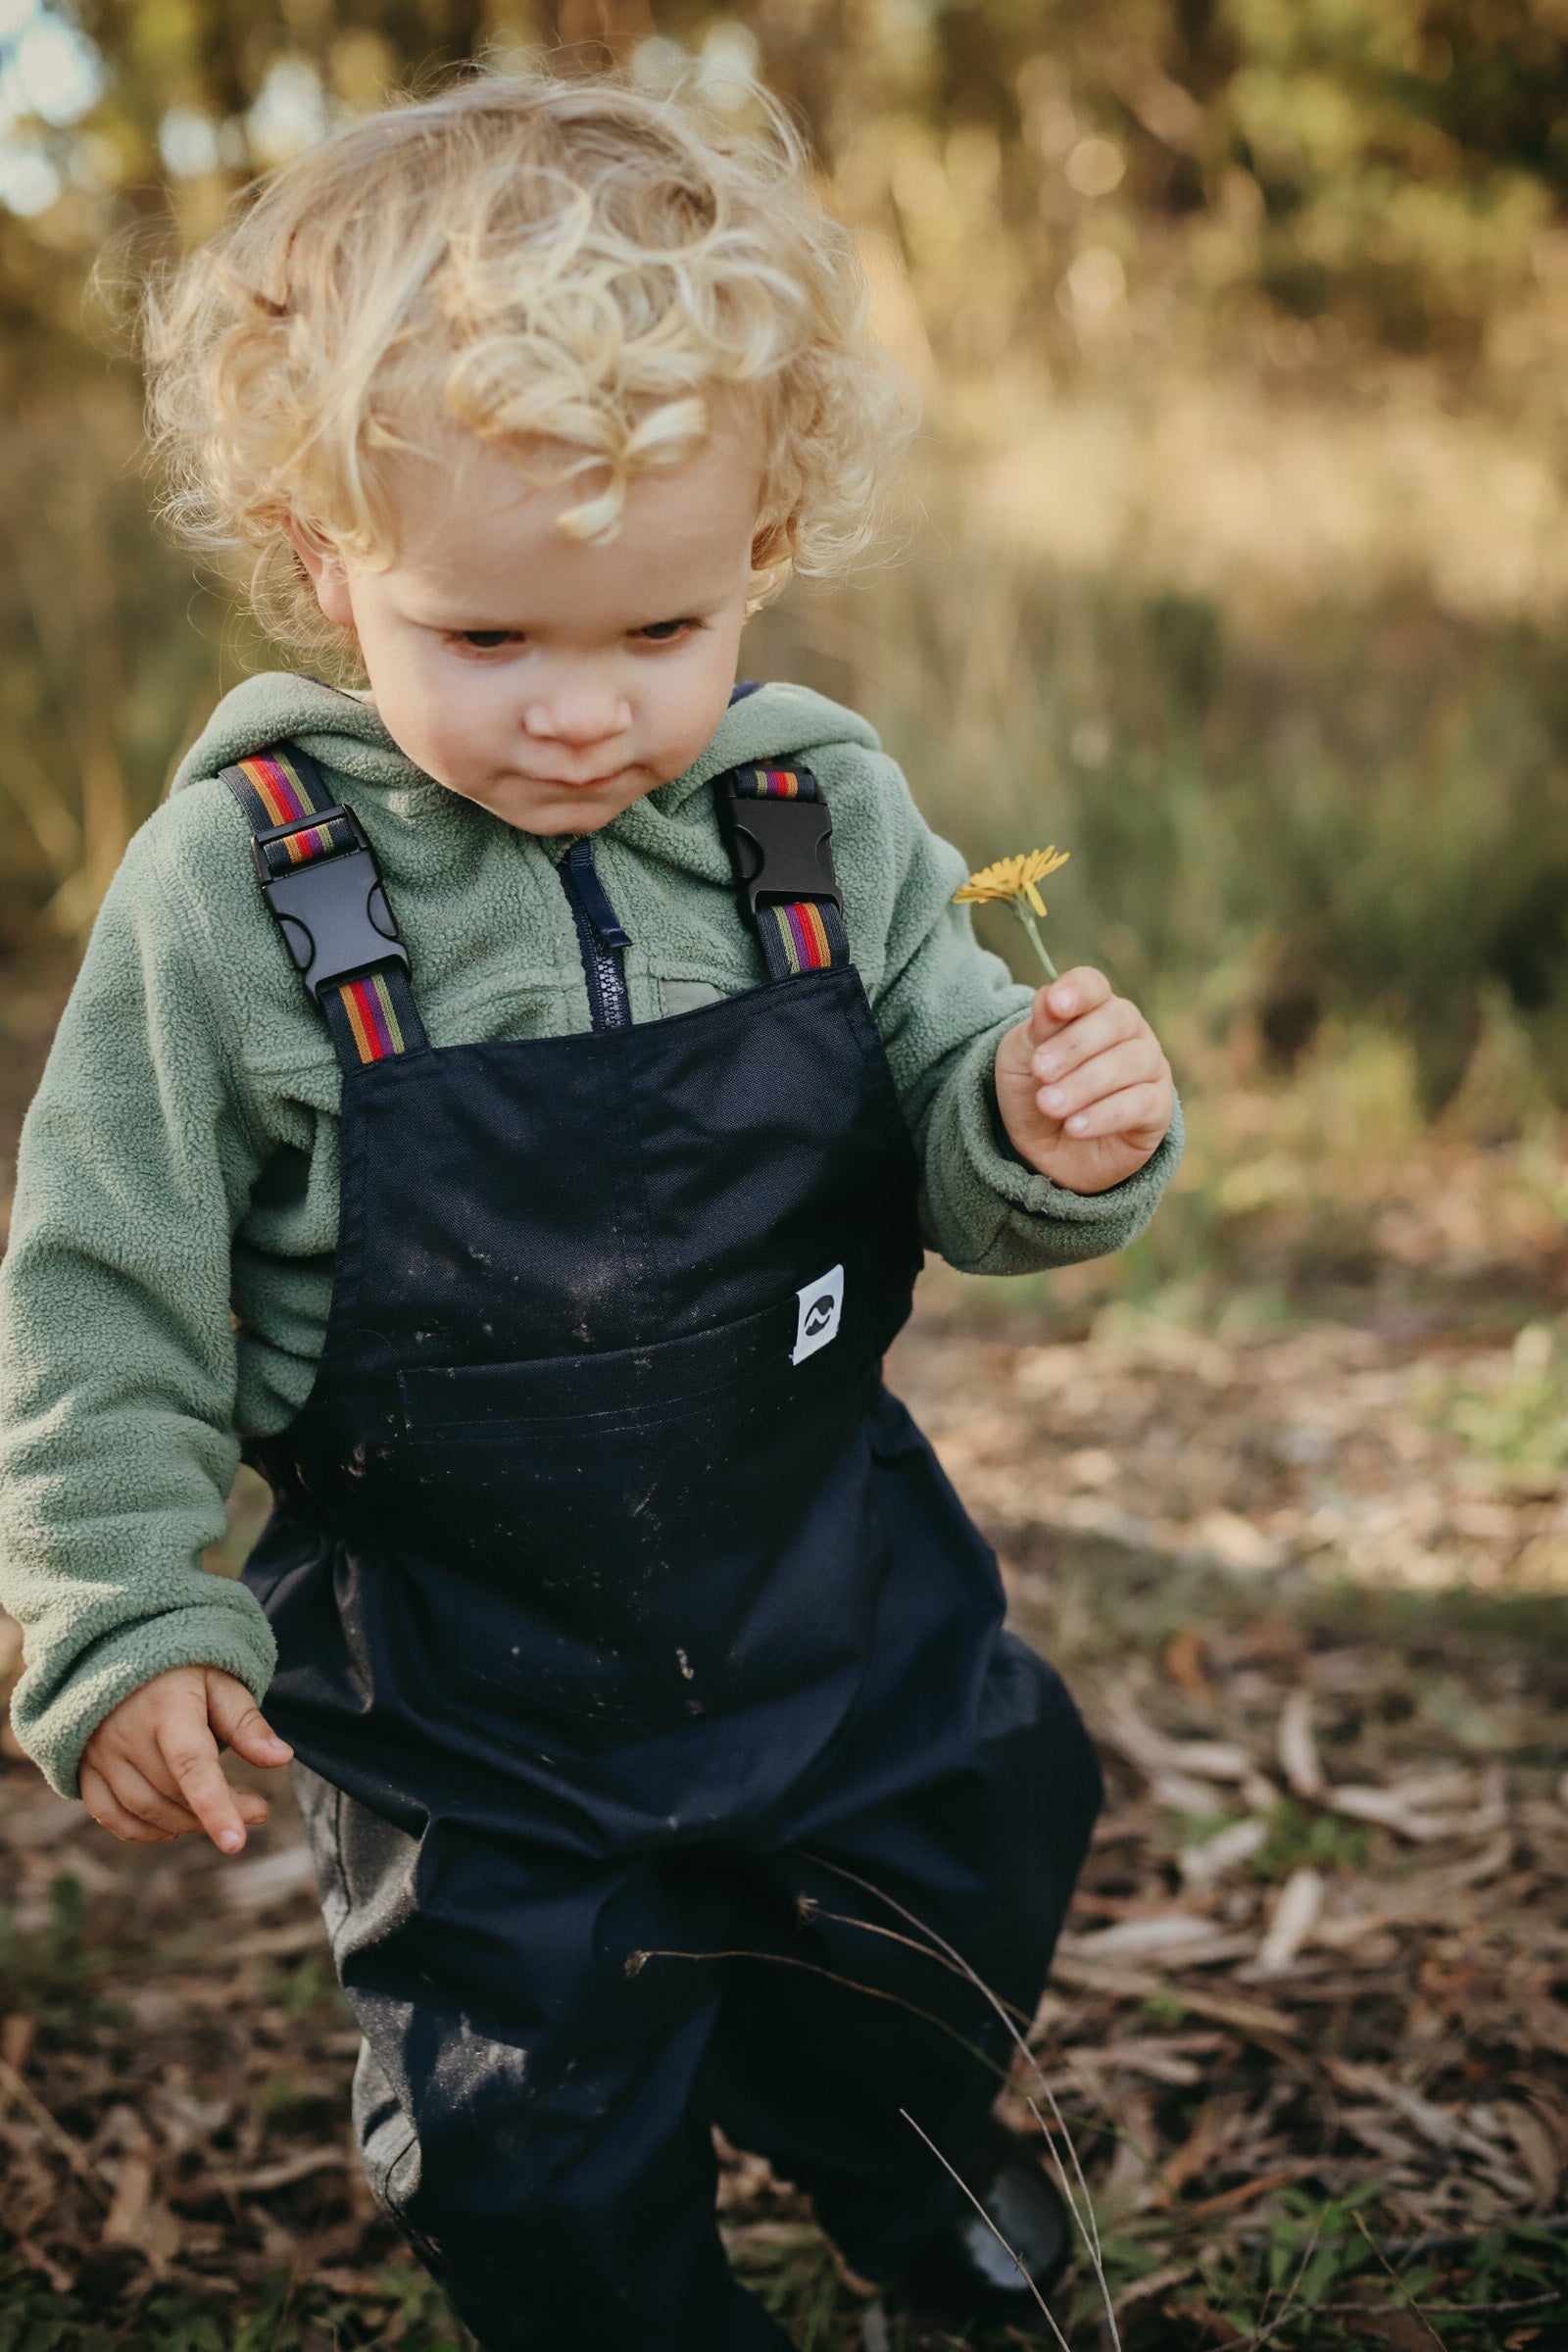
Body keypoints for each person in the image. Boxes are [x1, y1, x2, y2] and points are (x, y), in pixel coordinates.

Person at [0, 70, 1180, 2350]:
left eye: (657, 634)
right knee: (520, 2100)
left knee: (951, 1878)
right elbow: (101, 1283)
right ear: (320, 553)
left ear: (758, 551)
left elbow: (939, 1111)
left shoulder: (810, 814)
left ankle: (899, 2153)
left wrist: (1042, 1133)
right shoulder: (237, 895)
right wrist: (119, 1603)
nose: (577, 719)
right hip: (459, 1659)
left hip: (815, 1564)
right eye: (487, 642)